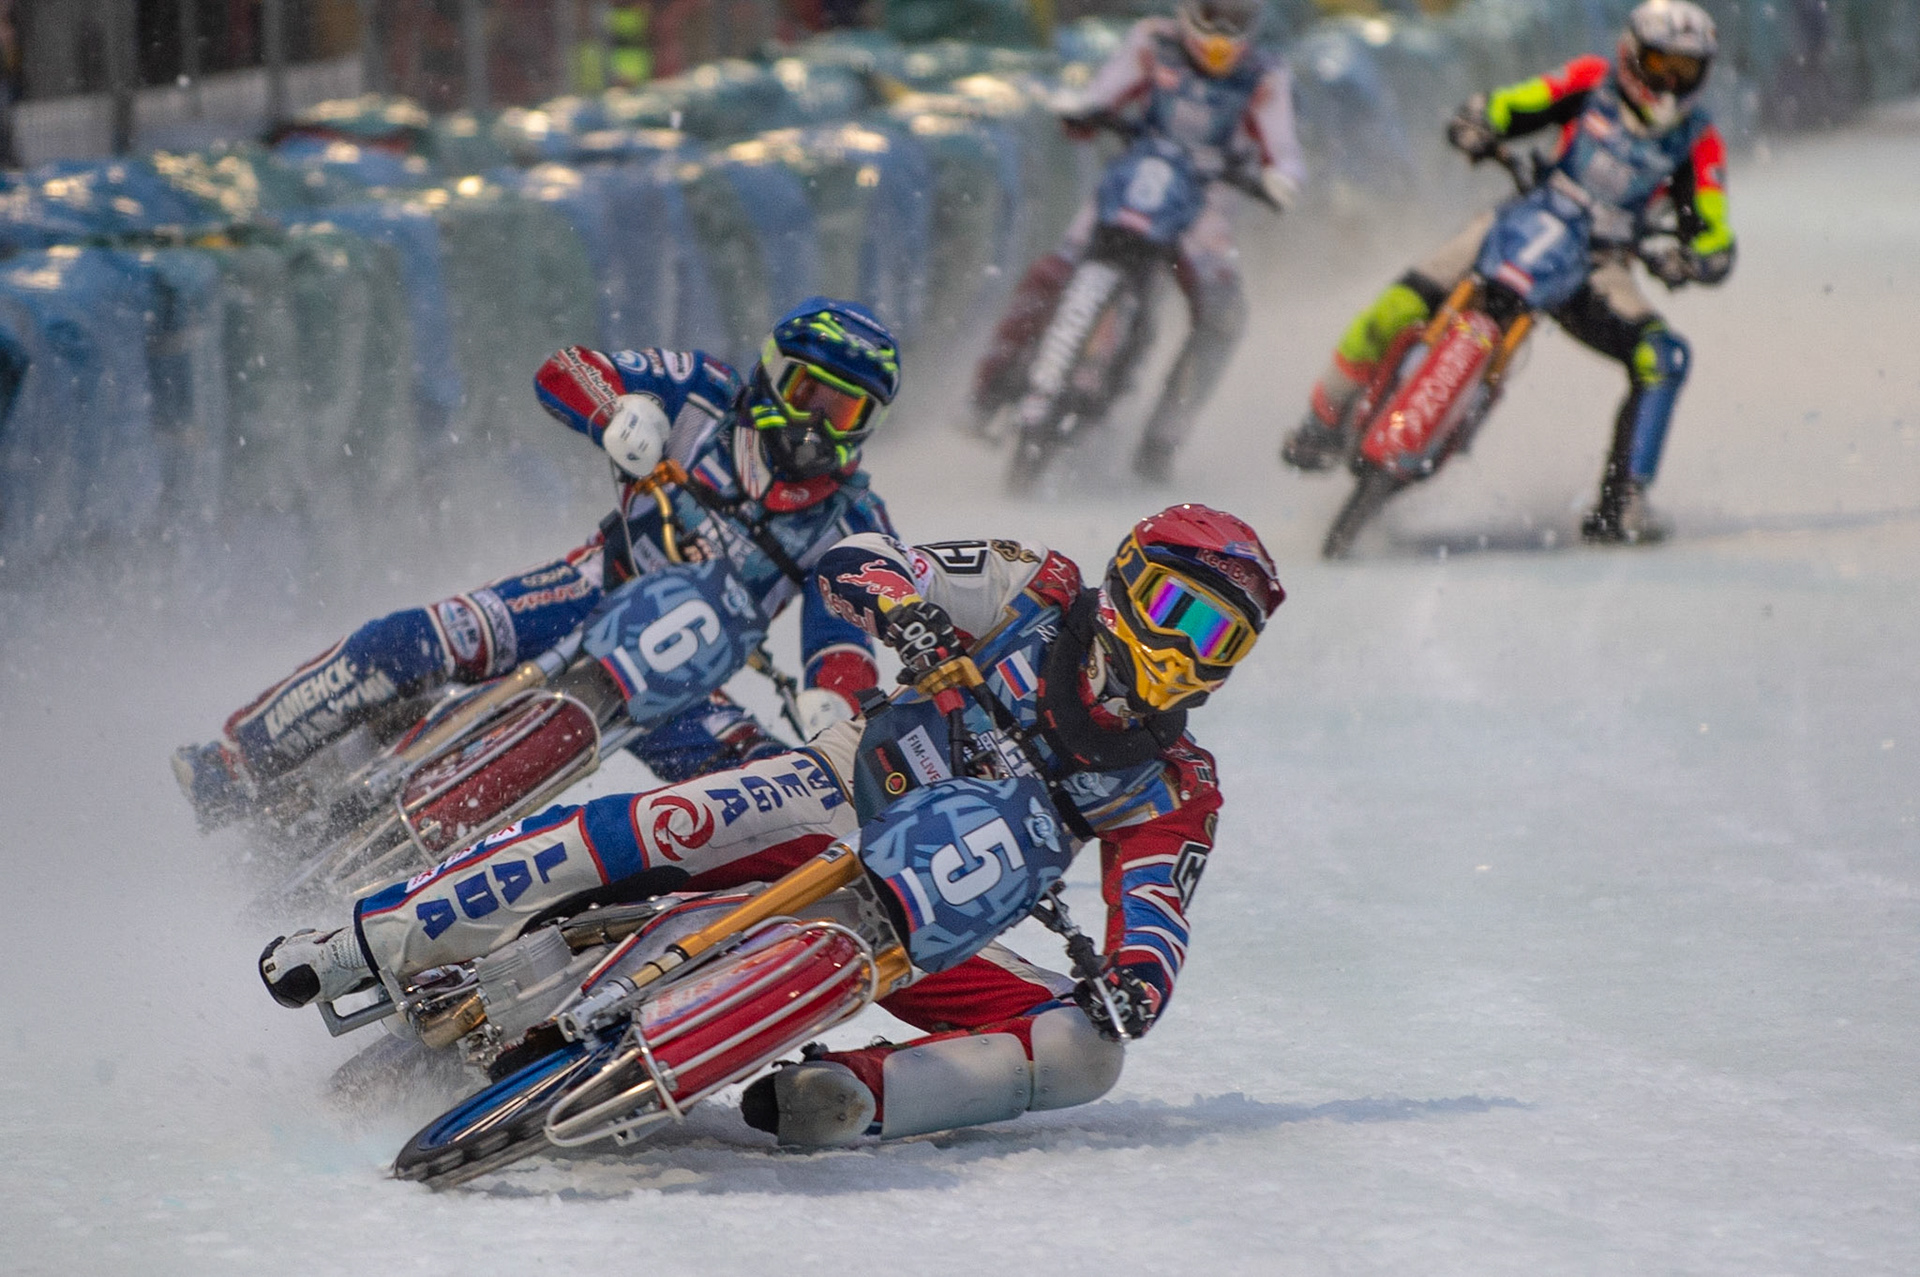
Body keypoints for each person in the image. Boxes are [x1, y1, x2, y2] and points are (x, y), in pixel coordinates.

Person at [259, 504, 1285, 1147]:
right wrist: (905, 610)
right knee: (674, 814)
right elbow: (865, 558)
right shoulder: (1036, 590)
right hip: (839, 790)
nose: (1179, 648)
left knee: (1086, 1051)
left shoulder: (1175, 781)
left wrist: (1139, 977)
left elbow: (1157, 907)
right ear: (1125, 582)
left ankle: (846, 1098)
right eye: (1171, 607)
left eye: (1215, 636)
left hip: (932, 913)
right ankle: (369, 935)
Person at [174, 297, 902, 828]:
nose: (813, 424)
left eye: (842, 413)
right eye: (809, 393)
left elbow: (845, 635)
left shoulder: (853, 518)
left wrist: (836, 701)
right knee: (408, 639)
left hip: (689, 679)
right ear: (775, 374)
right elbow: (568, 368)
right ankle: (235, 762)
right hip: (587, 590)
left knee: (786, 809)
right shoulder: (703, 392)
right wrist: (618, 413)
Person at [1281, 0, 1735, 544]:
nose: (1668, 81)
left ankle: (1625, 500)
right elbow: (1513, 104)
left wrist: (1699, 256)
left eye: (1685, 70)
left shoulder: (1698, 138)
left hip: (1599, 265)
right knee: (1400, 303)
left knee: (1663, 356)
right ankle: (1321, 418)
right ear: (1631, 54)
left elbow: (1712, 222)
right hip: (1523, 220)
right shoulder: (1590, 81)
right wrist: (1479, 122)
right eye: (1660, 63)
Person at [972, 0, 1307, 483]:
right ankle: (986, 393)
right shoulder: (1153, 42)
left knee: (1223, 317)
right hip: (1135, 180)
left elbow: (1285, 148)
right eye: (1214, 15)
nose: (1221, 32)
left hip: (1205, 203)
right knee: (1049, 273)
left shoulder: (1265, 74)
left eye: (1236, 20)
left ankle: (1164, 438)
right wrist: (1083, 109)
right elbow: (1101, 95)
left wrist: (1281, 179)